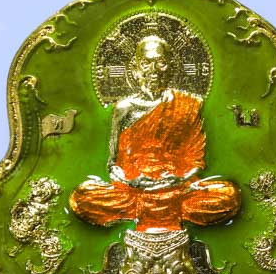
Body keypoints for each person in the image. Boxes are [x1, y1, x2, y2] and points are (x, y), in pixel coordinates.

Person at [70, 35, 240, 232]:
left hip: (176, 189)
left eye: (161, 63)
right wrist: (130, 180)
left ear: (171, 68)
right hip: (133, 191)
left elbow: (195, 162)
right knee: (82, 197)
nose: (154, 70)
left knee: (229, 196)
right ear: (135, 69)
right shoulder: (123, 108)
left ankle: (147, 210)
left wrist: (178, 178)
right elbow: (113, 164)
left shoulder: (189, 104)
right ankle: (161, 210)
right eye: (146, 63)